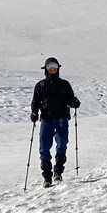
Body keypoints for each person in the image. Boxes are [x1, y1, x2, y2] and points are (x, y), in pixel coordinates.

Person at [30, 57, 80, 187]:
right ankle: (47, 176)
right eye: (50, 69)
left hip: (62, 119)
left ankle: (58, 171)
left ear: (58, 69)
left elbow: (71, 99)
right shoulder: (40, 85)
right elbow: (35, 102)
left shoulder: (65, 84)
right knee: (44, 147)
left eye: (54, 69)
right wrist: (34, 112)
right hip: (47, 119)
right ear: (46, 70)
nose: (52, 71)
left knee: (62, 143)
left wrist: (74, 103)